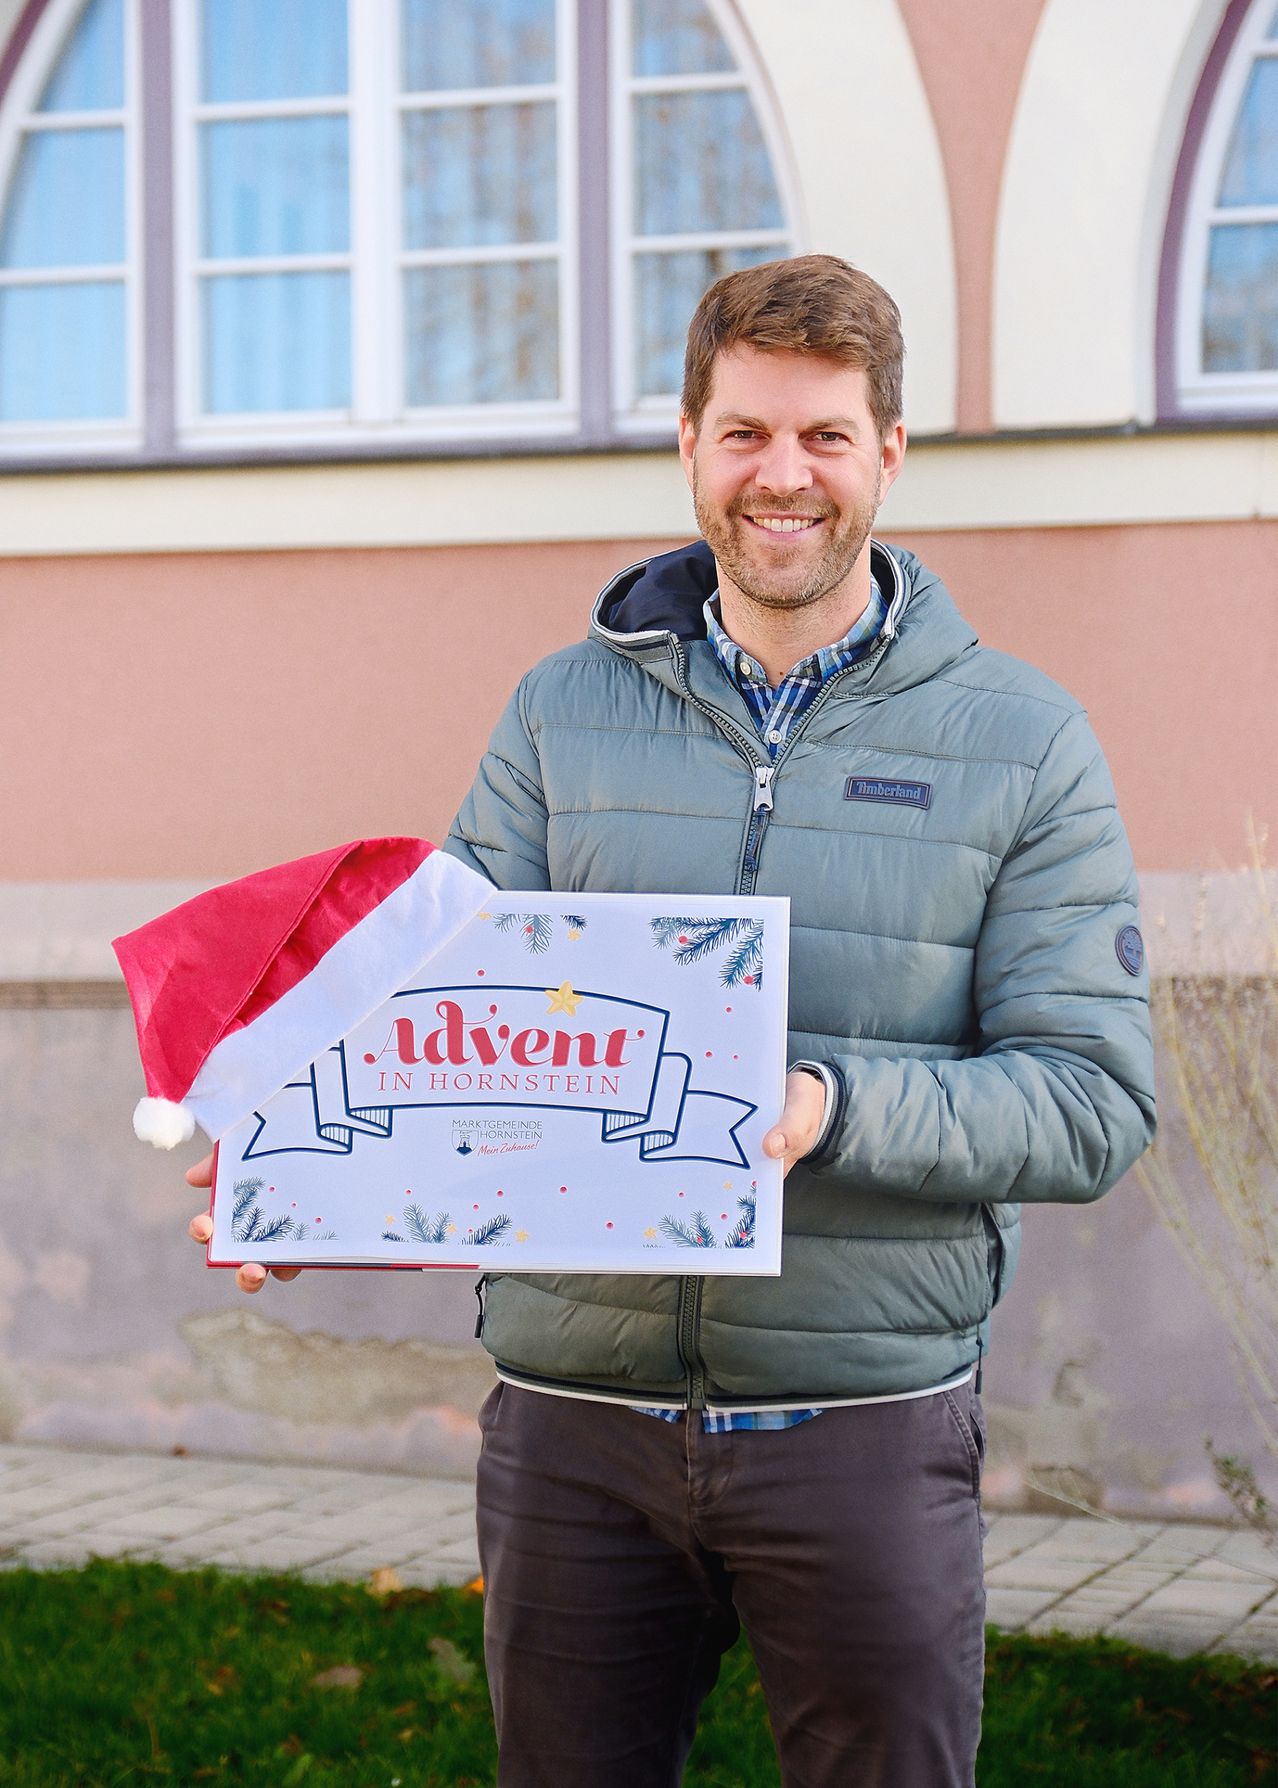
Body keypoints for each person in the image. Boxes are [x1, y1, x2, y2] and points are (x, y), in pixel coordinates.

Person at [187, 255, 1156, 1786]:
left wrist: (822, 1106)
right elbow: (437, 1016)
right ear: (689, 446)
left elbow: (1090, 1100)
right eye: (746, 434)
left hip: (861, 1426)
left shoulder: (1020, 741)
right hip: (573, 1431)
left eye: (826, 438)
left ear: (890, 454)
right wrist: (306, 1174)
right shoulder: (557, 713)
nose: (784, 478)